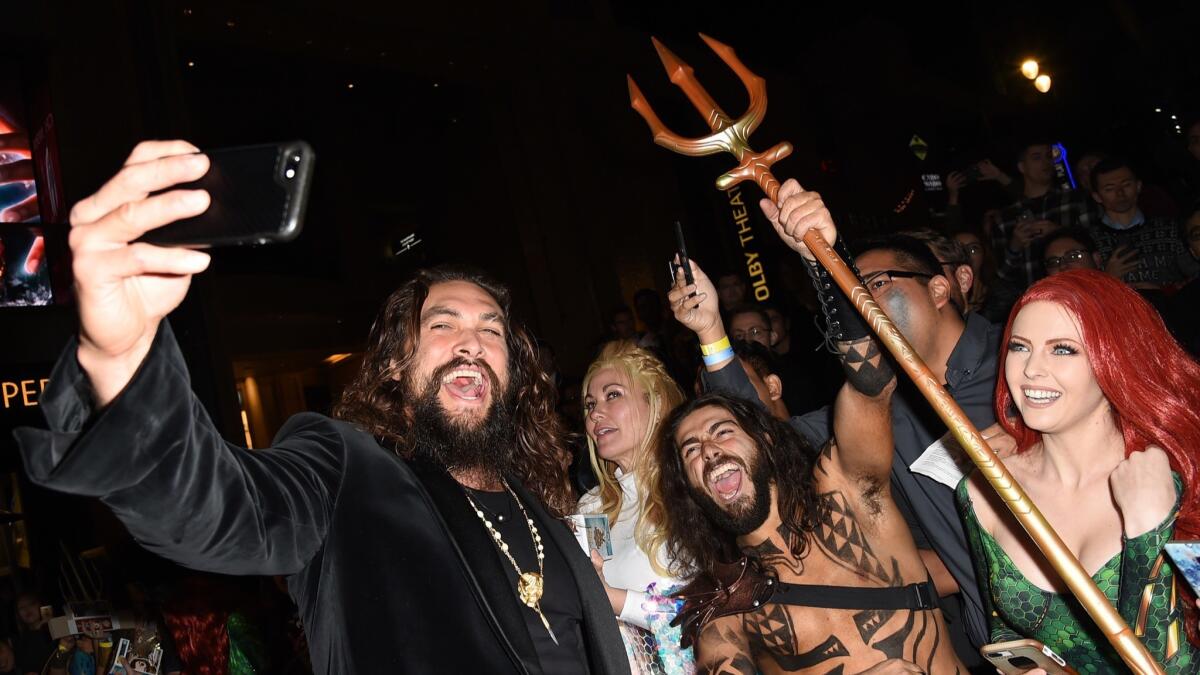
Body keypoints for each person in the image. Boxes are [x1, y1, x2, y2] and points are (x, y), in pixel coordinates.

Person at [13, 141, 629, 674]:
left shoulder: (539, 500)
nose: (472, 342)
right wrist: (121, 359)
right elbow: (214, 507)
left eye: (492, 331)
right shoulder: (345, 468)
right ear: (395, 363)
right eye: (443, 324)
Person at [669, 182, 1007, 668]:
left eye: (874, 284)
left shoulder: (1021, 363)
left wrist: (823, 257)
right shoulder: (884, 416)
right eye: (850, 285)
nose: (857, 297)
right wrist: (711, 333)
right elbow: (757, 434)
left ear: (942, 287)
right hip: (995, 644)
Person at [958, 269, 1200, 671]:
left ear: (1116, 359)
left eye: (1063, 349)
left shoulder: (1185, 477)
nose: (1031, 369)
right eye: (1019, 347)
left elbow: (1170, 668)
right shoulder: (987, 490)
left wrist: (1149, 529)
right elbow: (1004, 629)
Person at [577, 341, 692, 674]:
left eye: (613, 395)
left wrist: (615, 599)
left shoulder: (687, 488)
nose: (595, 414)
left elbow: (716, 607)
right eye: (589, 405)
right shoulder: (593, 508)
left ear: (654, 402)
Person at [1086, 157, 1197, 290]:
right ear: (1097, 196)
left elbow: (1195, 276)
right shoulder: (1089, 240)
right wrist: (1107, 278)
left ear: (1138, 186)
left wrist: (1166, 291)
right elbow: (1084, 293)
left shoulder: (1170, 229)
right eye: (1110, 189)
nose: (1120, 193)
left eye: (1126, 184)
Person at [992, 141, 1093, 288]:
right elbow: (1003, 275)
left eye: (1048, 156)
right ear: (1022, 167)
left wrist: (1060, 233)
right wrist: (1015, 247)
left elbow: (1097, 250)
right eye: (1037, 157)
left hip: (1077, 291)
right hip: (1033, 300)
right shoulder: (1005, 217)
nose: (1046, 162)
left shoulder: (1076, 200)